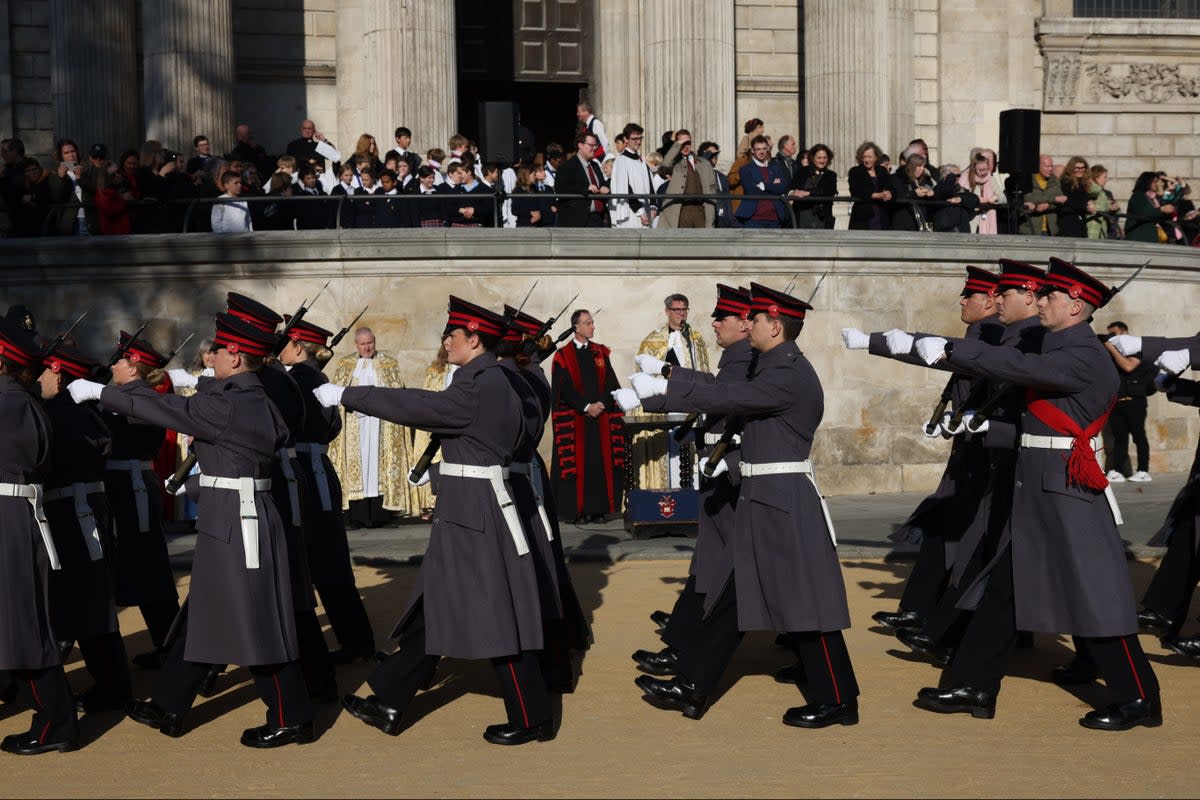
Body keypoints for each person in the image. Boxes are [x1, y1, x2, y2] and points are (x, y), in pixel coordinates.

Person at [891, 257, 1161, 731]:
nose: (1039, 301)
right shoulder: (1059, 343)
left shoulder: (1079, 353)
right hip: (1036, 485)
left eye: (1050, 296)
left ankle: (1139, 697)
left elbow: (1011, 363)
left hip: (1064, 488)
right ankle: (975, 685)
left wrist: (939, 348)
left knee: (1095, 594)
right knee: (1003, 591)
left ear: (1076, 306)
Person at [628, 283, 860, 728]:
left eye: (754, 319)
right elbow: (725, 387)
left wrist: (667, 382)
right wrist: (669, 377)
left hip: (784, 501)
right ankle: (694, 687)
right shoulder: (772, 366)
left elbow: (731, 397)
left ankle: (838, 699)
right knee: (737, 599)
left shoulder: (787, 372)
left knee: (805, 603)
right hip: (764, 498)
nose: (747, 323)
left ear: (775, 326)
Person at [327, 297, 556, 746]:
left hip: (478, 514)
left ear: (474, 339)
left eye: (452, 334)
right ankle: (391, 700)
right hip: (469, 507)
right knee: (436, 606)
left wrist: (349, 394)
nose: (445, 341)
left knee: (498, 614)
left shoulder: (481, 383)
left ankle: (532, 717)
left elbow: (419, 406)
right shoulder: (493, 378)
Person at [844, 266, 1003, 635]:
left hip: (985, 454)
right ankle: (921, 611)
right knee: (943, 528)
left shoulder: (991, 334)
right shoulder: (981, 331)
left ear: (992, 301)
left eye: (971, 296)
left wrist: (875, 342)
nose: (962, 301)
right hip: (969, 451)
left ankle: (942, 621)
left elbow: (933, 352)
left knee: (969, 536)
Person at [618, 284, 754, 679]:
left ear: (745, 324)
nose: (713, 322)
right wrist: (663, 377)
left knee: (724, 568)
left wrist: (662, 385)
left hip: (730, 475)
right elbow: (709, 386)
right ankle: (681, 642)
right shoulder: (736, 357)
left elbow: (713, 394)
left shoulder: (745, 360)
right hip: (717, 473)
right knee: (709, 562)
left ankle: (687, 649)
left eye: (722, 316)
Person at [0, 316, 80, 755]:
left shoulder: (9, 403)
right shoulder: (23, 401)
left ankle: (56, 723)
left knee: (23, 626)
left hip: (7, 516)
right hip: (17, 512)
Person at [276, 316, 377, 665]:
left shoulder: (295, 381)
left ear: (299, 347)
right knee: (330, 560)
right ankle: (357, 640)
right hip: (319, 467)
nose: (280, 350)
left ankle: (344, 644)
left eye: (285, 344)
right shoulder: (316, 377)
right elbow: (332, 427)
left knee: (314, 561)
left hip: (303, 470)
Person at [38, 344, 133, 713]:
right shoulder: (81, 409)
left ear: (59, 374)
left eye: (45, 372)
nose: (40, 379)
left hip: (70, 512)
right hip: (84, 509)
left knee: (83, 601)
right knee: (90, 601)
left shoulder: (60, 412)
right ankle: (112, 683)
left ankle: (111, 686)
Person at [102, 332, 181, 668]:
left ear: (133, 368)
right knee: (145, 571)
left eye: (120, 360)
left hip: (131, 485)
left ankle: (177, 651)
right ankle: (170, 647)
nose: (113, 365)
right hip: (123, 484)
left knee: (149, 571)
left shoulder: (137, 398)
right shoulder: (126, 396)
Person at [328, 326, 422, 527]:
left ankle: (381, 516)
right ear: (356, 345)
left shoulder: (389, 364)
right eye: (362, 344)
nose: (367, 347)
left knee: (379, 468)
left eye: (370, 343)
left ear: (375, 342)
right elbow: (337, 394)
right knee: (358, 469)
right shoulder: (345, 365)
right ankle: (355, 516)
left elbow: (397, 394)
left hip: (381, 425)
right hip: (354, 426)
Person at [550, 309, 625, 523]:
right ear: (577, 327)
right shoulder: (563, 356)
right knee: (579, 464)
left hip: (601, 418)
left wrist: (601, 404)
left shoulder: (600, 353)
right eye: (588, 323)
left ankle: (599, 510)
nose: (593, 327)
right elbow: (563, 389)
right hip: (577, 420)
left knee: (599, 464)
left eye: (592, 322)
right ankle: (578, 511)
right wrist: (585, 407)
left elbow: (611, 383)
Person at [634, 294, 711, 490]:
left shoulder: (695, 339)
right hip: (667, 403)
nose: (682, 313)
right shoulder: (652, 341)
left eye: (685, 309)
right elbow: (644, 376)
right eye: (677, 310)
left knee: (690, 448)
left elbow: (702, 368)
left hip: (691, 402)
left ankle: (692, 491)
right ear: (667, 311)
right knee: (671, 449)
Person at [1102, 321, 1155, 483]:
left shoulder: (1136, 349)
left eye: (1114, 333)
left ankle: (1143, 470)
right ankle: (1117, 471)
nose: (1112, 337)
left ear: (1124, 332)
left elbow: (1128, 366)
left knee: (1139, 436)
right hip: (1117, 402)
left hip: (1135, 402)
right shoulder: (1112, 354)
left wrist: (1110, 347)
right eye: (1109, 334)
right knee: (1120, 438)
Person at [554, 131, 609, 228]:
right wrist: (585, 188)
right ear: (580, 145)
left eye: (595, 145)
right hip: (577, 220)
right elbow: (561, 188)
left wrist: (606, 187)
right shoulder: (567, 166)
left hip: (598, 218)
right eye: (591, 145)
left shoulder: (595, 165)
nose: (594, 148)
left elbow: (603, 183)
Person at [608, 123, 657, 229]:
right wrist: (640, 211)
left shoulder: (642, 160)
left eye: (640, 138)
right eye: (635, 139)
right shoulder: (621, 161)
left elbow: (650, 184)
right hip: (632, 213)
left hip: (646, 211)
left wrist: (653, 206)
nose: (638, 142)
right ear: (626, 139)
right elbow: (624, 189)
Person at [734, 135, 789, 228]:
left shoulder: (776, 168)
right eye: (758, 149)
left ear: (767, 148)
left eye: (764, 148)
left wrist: (764, 186)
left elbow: (782, 188)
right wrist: (773, 187)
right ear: (752, 150)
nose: (762, 152)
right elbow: (751, 192)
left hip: (775, 218)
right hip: (753, 218)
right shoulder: (745, 169)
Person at [787, 143, 837, 229]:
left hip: (822, 216)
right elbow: (792, 187)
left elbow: (829, 191)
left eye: (824, 158)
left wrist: (808, 193)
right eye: (819, 158)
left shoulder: (831, 175)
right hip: (803, 214)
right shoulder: (802, 171)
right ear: (812, 158)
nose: (822, 161)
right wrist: (793, 193)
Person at [1015, 154, 1065, 236]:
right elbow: (1030, 199)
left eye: (1051, 166)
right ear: (1037, 166)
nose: (1051, 169)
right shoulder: (1028, 180)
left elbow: (1061, 201)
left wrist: (1048, 206)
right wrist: (1054, 199)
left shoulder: (1055, 181)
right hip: (1030, 228)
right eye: (1047, 166)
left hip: (1050, 230)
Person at [847, 141, 891, 231]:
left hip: (882, 214)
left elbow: (890, 187)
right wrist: (878, 195)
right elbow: (857, 191)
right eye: (864, 157)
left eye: (869, 157)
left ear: (876, 158)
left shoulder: (882, 170)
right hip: (863, 216)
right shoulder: (855, 171)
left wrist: (889, 193)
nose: (866, 160)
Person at [959, 148, 1005, 235]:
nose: (983, 173)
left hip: (987, 218)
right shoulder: (965, 177)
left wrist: (995, 198)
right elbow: (960, 196)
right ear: (974, 167)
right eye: (980, 170)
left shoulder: (990, 179)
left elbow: (1003, 198)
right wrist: (976, 200)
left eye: (985, 169)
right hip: (971, 219)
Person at [1125, 171, 1175, 243]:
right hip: (1139, 239)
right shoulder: (1138, 195)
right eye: (1154, 182)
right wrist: (1161, 210)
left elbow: (1161, 206)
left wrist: (1167, 211)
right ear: (1147, 182)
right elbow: (1145, 212)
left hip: (1149, 239)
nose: (1156, 184)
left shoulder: (1152, 198)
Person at [1056, 156, 1094, 238]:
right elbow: (1070, 202)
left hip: (1080, 222)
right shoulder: (1066, 183)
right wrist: (1086, 206)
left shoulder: (1083, 184)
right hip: (1068, 223)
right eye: (1077, 168)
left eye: (1082, 167)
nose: (1080, 170)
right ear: (1071, 168)